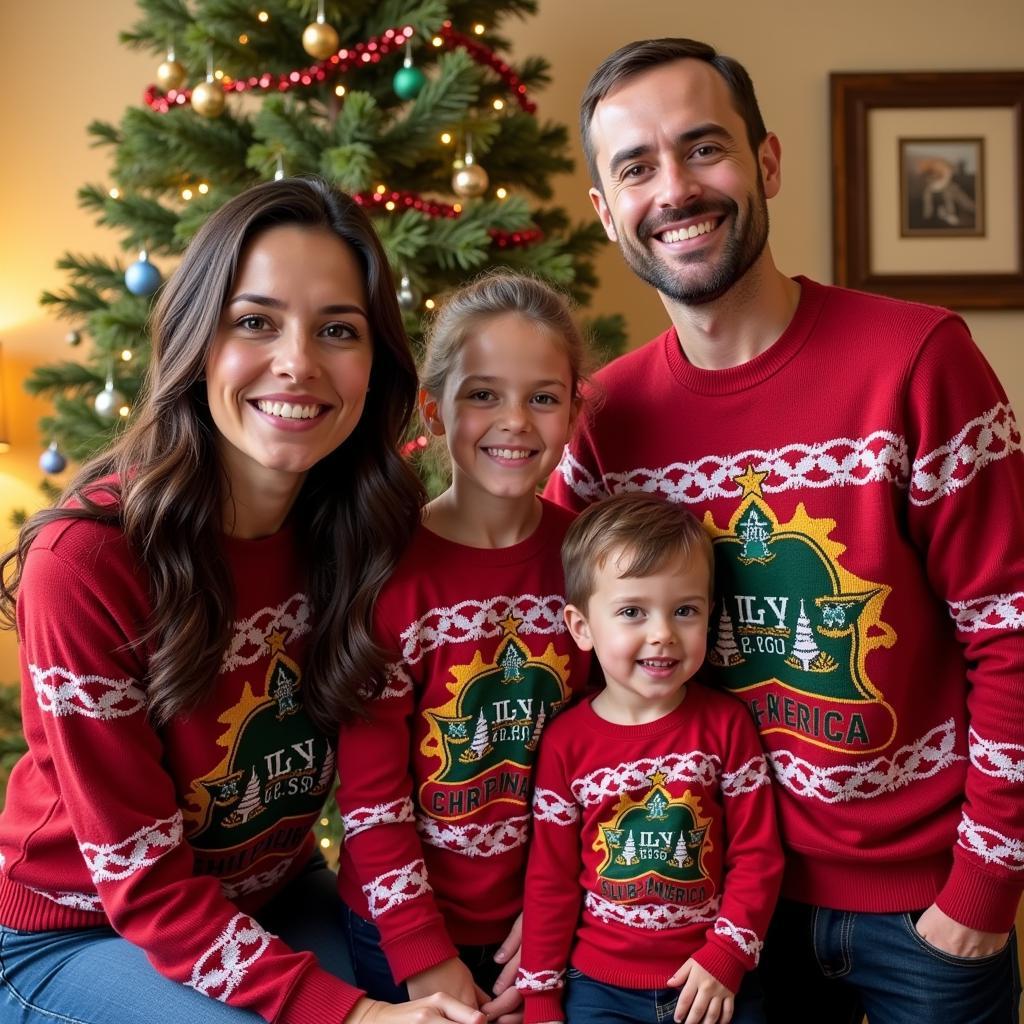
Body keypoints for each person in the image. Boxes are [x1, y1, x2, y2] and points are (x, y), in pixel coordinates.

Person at [544, 37, 1024, 1024]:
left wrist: (982, 885)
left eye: (702, 148)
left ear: (764, 162)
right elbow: (534, 625)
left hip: (916, 916)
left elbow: (1012, 628)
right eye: (635, 167)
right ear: (605, 212)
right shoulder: (599, 419)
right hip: (706, 930)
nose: (674, 188)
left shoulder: (918, 361)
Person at [0, 177, 484, 1024]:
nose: (298, 362)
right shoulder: (86, 562)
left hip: (279, 895)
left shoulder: (372, 525)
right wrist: (358, 1016)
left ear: (375, 367)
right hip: (75, 933)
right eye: (254, 322)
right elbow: (145, 890)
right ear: (198, 340)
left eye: (338, 330)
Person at [335, 272, 592, 1024]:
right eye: (483, 394)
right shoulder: (388, 573)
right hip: (401, 933)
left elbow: (611, 751)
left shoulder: (591, 564)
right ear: (434, 409)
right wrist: (425, 960)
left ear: (574, 411)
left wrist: (554, 917)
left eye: (543, 397)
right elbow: (371, 800)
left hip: (549, 924)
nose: (514, 421)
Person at [516, 492, 782, 1024]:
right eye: (632, 612)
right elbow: (551, 880)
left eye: (685, 610)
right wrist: (541, 996)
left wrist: (727, 955)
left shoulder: (725, 727)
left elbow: (757, 856)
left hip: (710, 981)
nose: (662, 633)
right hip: (599, 988)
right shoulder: (567, 743)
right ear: (582, 627)